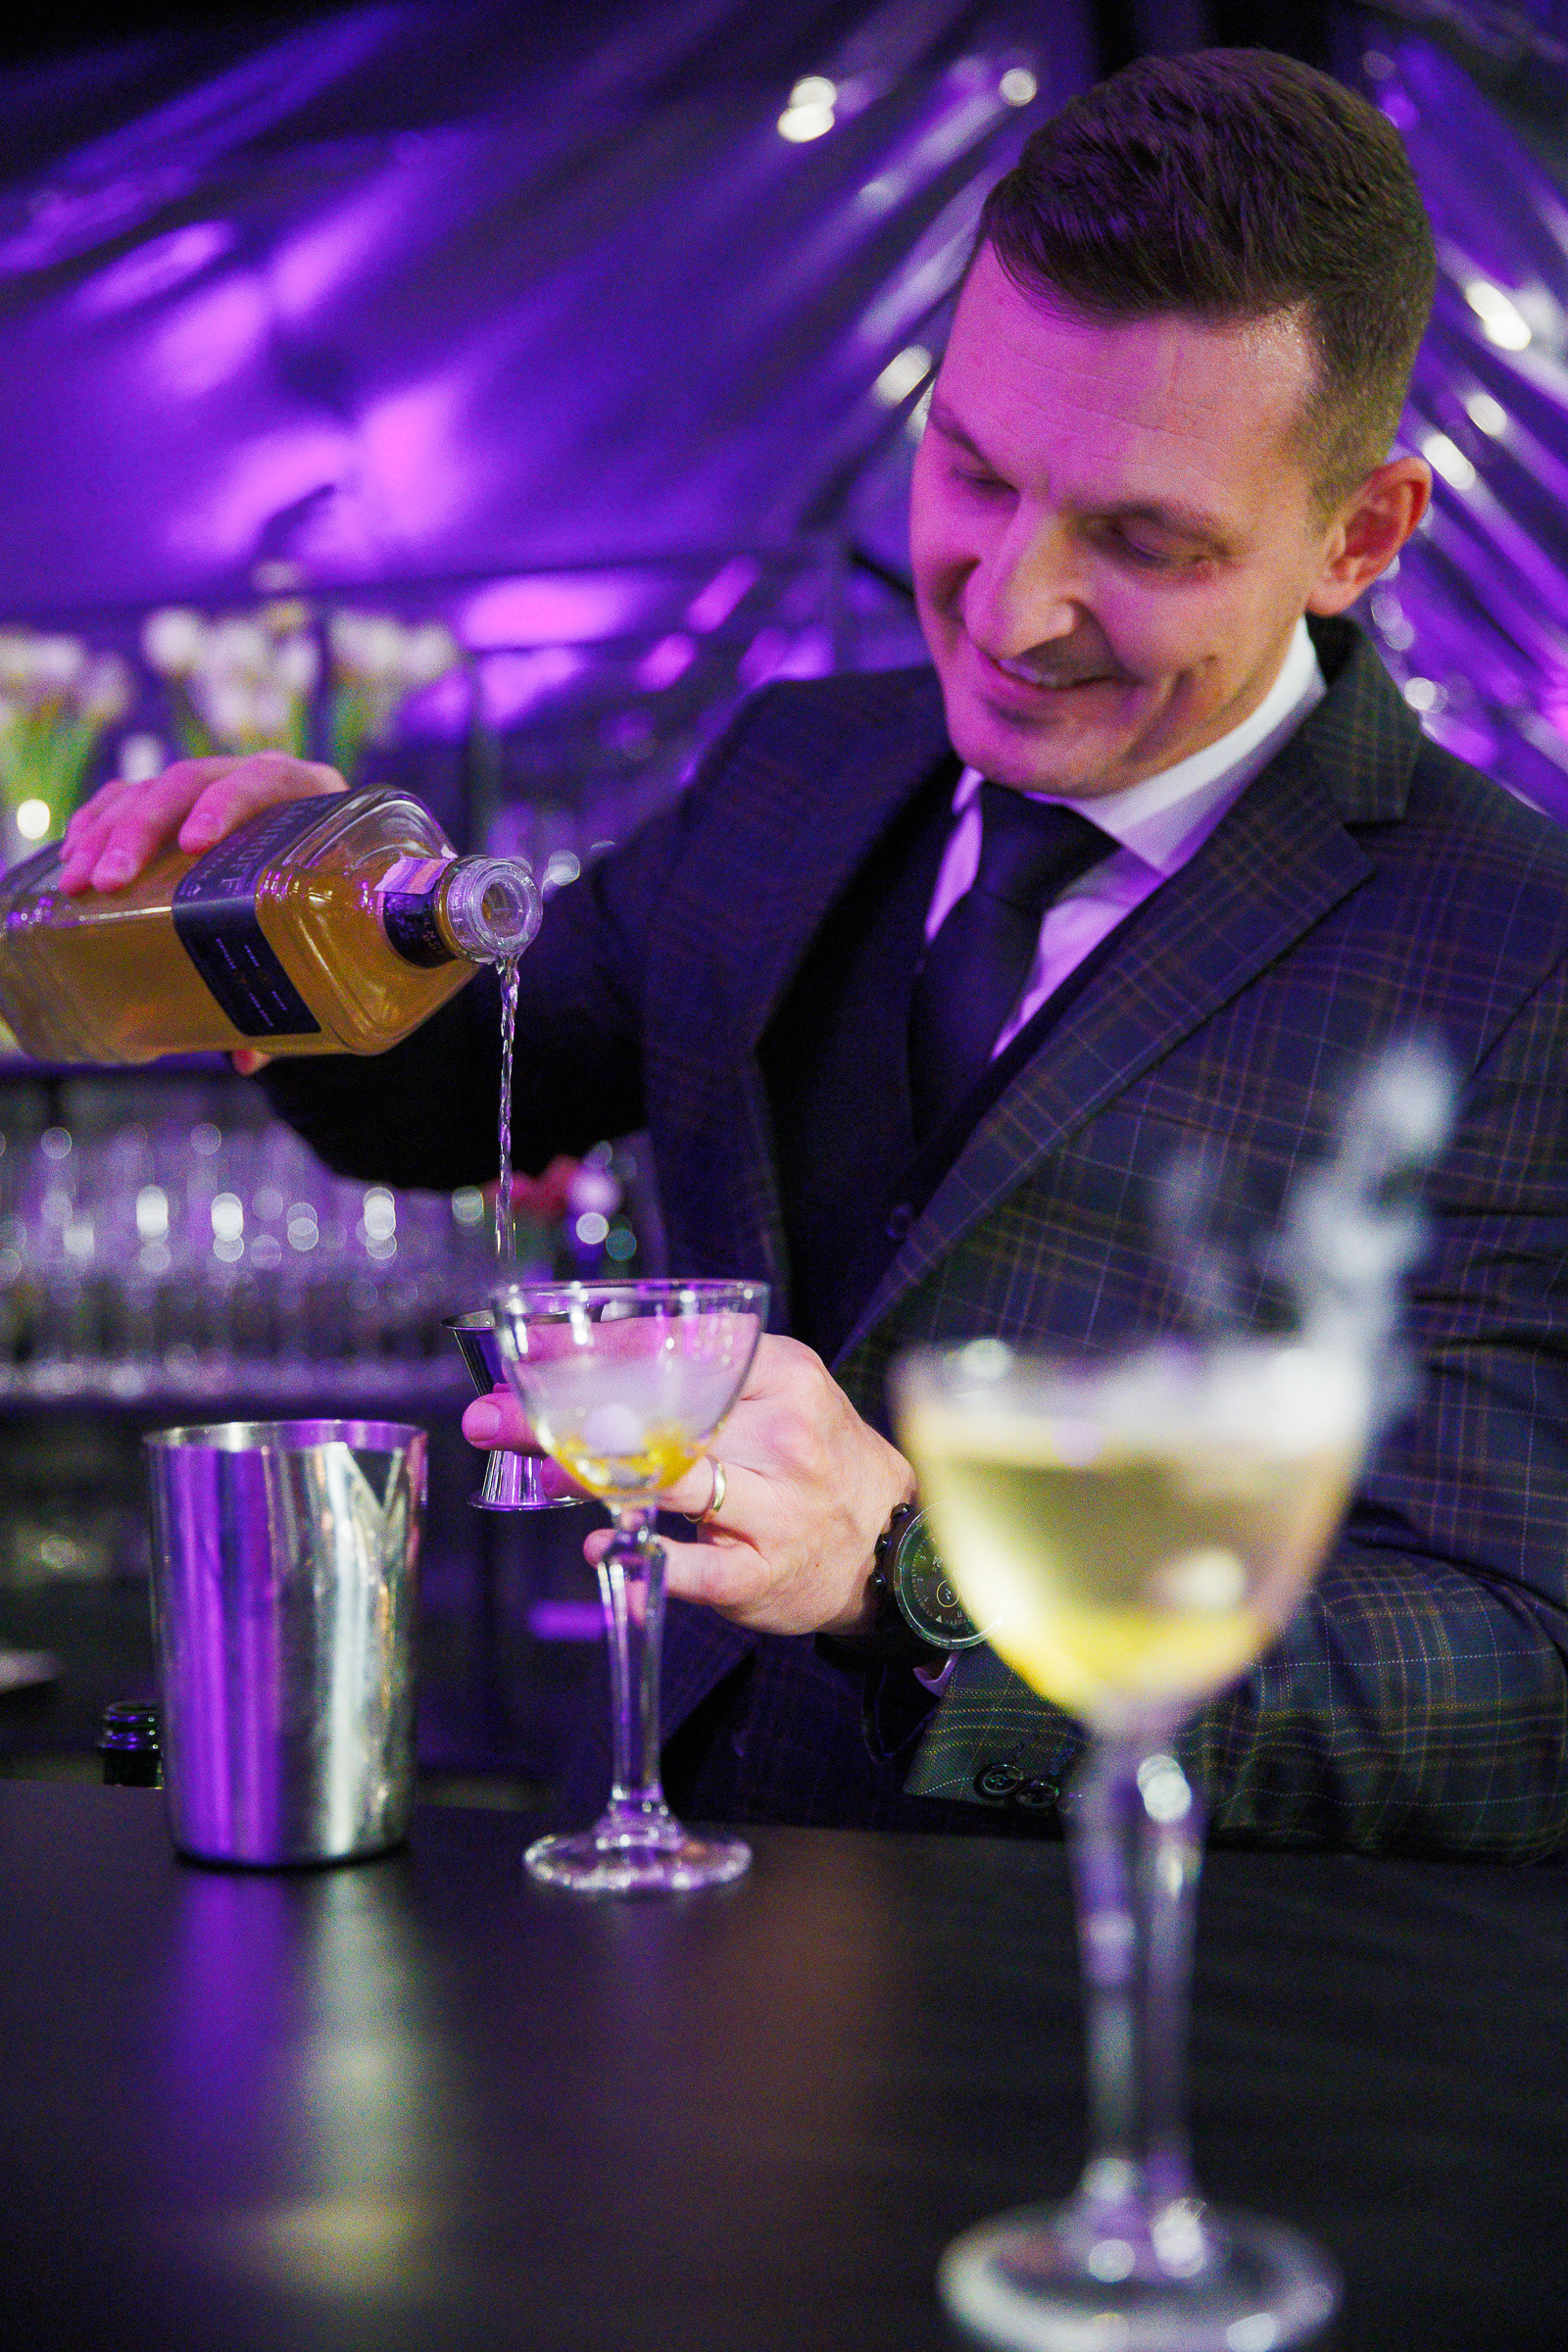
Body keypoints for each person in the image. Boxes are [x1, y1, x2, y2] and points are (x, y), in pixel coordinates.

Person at [63, 52, 1568, 1856]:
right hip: (669, 1912)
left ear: (1360, 535)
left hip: (1120, 1984)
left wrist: (917, 1577)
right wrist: (292, 923)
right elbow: (459, 1097)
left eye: (1145, 541)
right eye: (974, 471)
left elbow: (1513, 1682)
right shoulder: (803, 769)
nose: (1009, 605)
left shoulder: (1516, 952)